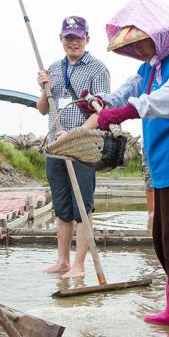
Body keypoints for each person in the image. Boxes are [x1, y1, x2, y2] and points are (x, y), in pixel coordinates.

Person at [85, 0, 169, 337]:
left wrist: (124, 113)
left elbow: (167, 101)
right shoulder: (151, 69)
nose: (140, 50)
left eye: (143, 42)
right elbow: (127, 91)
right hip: (164, 169)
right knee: (161, 241)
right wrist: (101, 103)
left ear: (161, 36)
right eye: (134, 46)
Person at [36, 16, 110, 278]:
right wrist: (45, 88)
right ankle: (63, 261)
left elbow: (102, 111)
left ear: (87, 39)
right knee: (62, 206)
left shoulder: (98, 69)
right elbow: (42, 109)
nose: (73, 42)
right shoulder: (53, 69)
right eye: (69, 38)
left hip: (82, 146)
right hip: (56, 146)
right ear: (61, 39)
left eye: (78, 37)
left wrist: (76, 134)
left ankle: (79, 265)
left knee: (83, 207)